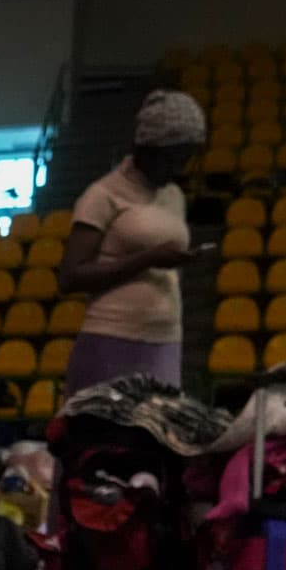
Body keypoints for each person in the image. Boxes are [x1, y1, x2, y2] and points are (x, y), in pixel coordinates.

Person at [58, 89, 209, 394]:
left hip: (165, 339)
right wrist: (148, 258)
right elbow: (70, 276)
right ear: (148, 149)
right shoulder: (102, 195)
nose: (178, 169)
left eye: (186, 160)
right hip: (112, 337)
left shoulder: (174, 196)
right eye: (172, 159)